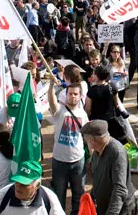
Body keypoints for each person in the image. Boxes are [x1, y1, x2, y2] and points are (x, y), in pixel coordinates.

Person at [47, 81, 88, 215]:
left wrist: (92, 156)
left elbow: (87, 137)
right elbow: (52, 101)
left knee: (78, 194)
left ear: (80, 96)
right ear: (66, 95)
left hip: (78, 162)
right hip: (59, 161)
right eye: (70, 94)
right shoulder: (60, 111)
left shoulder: (83, 114)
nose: (73, 96)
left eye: (76, 94)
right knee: (59, 195)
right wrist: (52, 85)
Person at [81, 120, 136, 215]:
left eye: (85, 139)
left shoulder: (117, 152)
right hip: (105, 208)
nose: (84, 142)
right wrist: (92, 197)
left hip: (120, 210)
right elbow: (98, 177)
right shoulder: (97, 151)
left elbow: (119, 189)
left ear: (92, 140)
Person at [0, 160, 65, 215]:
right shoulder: (2, 196)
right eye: (17, 182)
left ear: (37, 185)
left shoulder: (49, 199)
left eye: (24, 184)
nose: (18, 187)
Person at [86, 66, 127, 144]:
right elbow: (117, 103)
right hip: (111, 121)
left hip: (97, 122)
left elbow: (88, 109)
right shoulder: (112, 86)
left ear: (97, 76)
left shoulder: (92, 90)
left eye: (94, 74)